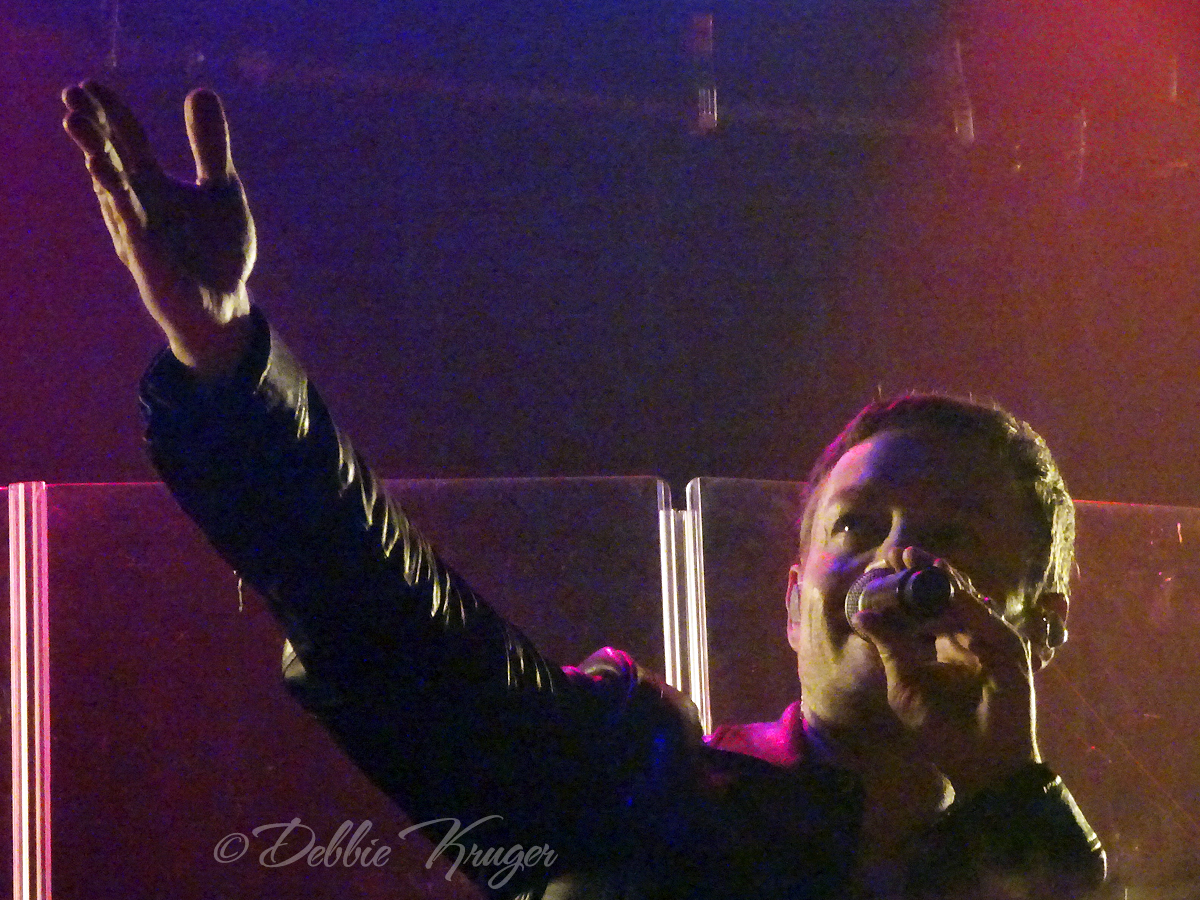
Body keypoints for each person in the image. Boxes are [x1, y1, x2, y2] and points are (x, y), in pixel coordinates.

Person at [63, 81, 1106, 899]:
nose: (897, 562)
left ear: (1044, 623)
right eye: (859, 525)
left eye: (951, 536)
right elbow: (392, 629)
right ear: (793, 602)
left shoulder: (1055, 853)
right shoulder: (644, 787)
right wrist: (225, 356)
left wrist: (1013, 799)